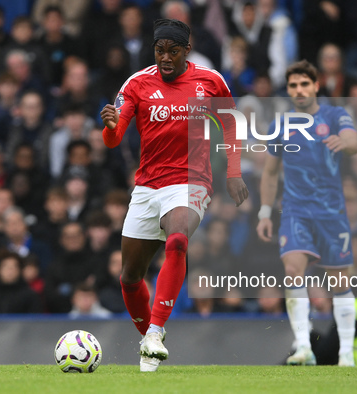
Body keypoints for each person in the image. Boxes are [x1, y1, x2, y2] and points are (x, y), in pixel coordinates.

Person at [100, 18, 247, 372]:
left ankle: (155, 330)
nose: (165, 57)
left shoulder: (210, 82)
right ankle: (147, 344)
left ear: (187, 51)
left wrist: (233, 171)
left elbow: (231, 123)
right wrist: (108, 129)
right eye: (159, 50)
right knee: (130, 277)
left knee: (177, 239)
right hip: (148, 186)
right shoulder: (137, 83)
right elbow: (115, 137)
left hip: (190, 180)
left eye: (173, 50)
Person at [256, 60, 357, 367]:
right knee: (292, 271)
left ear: (316, 85)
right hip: (295, 210)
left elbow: (354, 142)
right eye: (293, 85)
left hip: (331, 212)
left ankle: (346, 355)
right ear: (287, 90)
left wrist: (345, 143)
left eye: (304, 84)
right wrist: (264, 212)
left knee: (340, 283)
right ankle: (303, 347)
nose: (299, 90)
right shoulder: (281, 125)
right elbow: (270, 173)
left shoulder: (335, 115)